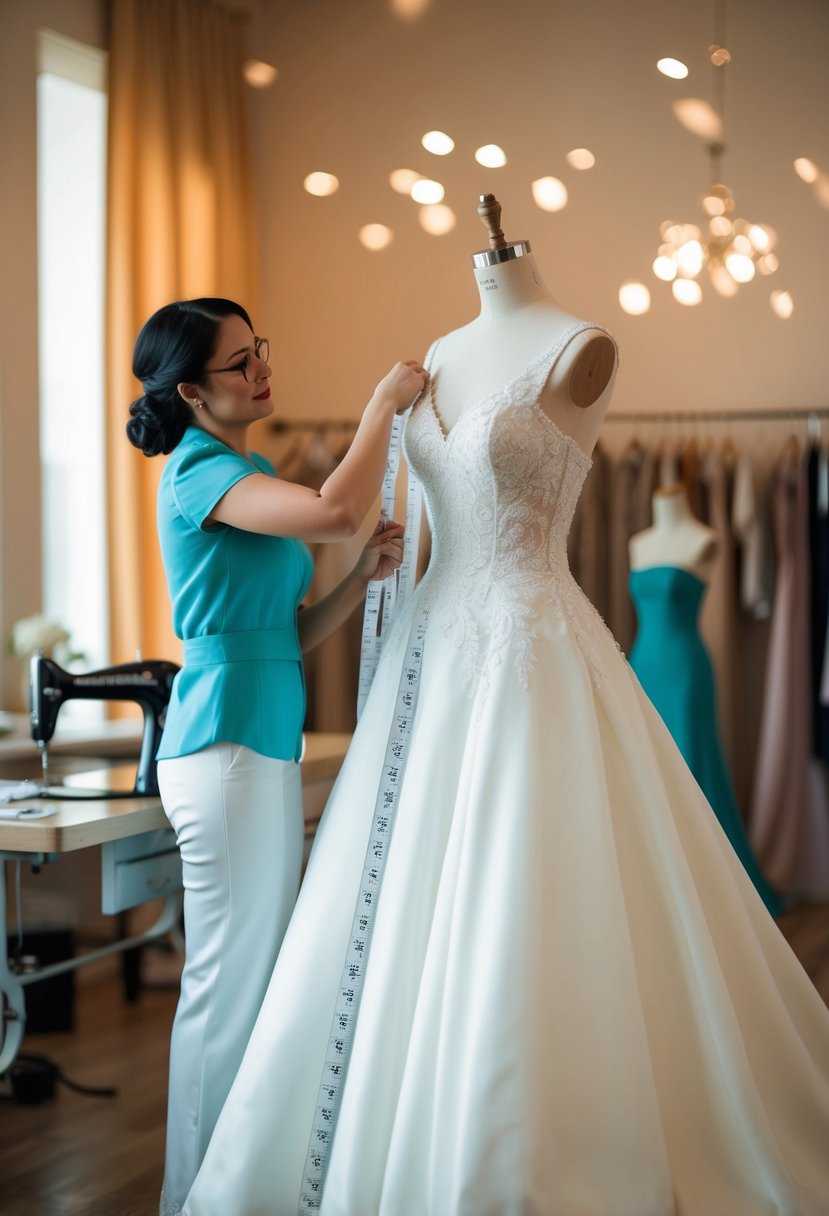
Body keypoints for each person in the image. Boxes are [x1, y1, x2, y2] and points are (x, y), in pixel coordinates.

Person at [182, 215, 829, 1215]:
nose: (257, 367)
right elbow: (371, 516)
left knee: (531, 873)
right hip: (426, 659)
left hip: (529, 638)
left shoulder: (580, 347)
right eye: (241, 361)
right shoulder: (439, 355)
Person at [125, 296, 428, 1216]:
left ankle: (223, 1182)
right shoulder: (197, 473)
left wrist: (359, 582)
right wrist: (381, 409)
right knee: (226, 982)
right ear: (191, 390)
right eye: (240, 362)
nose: (261, 370)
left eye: (261, 351)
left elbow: (281, 633)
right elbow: (338, 511)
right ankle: (193, 1195)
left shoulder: (241, 468)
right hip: (221, 749)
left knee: (250, 976)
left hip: (252, 740)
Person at [628, 484, 781, 914]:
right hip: (642, 668)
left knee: (691, 769)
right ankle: (655, 875)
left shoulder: (704, 540)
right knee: (650, 766)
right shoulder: (636, 543)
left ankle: (699, 881)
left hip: (686, 673)